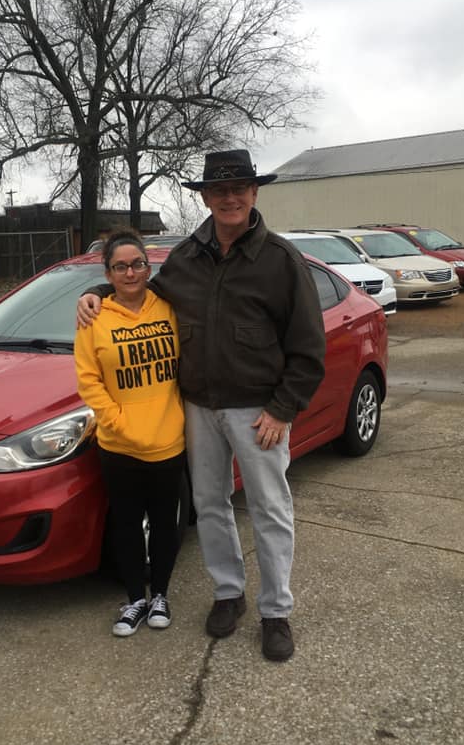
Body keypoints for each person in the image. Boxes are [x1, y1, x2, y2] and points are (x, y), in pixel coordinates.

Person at [77, 150, 325, 661]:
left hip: (258, 412)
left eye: (238, 189)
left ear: (254, 193)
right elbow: (140, 290)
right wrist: (98, 290)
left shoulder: (281, 260)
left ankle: (275, 611)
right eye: (218, 191)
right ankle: (228, 593)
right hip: (197, 409)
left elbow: (308, 346)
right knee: (210, 504)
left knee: (269, 509)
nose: (229, 198)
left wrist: (283, 408)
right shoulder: (186, 257)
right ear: (206, 198)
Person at [74, 229, 186, 637]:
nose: (130, 273)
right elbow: (88, 380)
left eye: (137, 264)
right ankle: (135, 598)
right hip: (119, 444)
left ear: (148, 267)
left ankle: (161, 595)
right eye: (120, 267)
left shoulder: (169, 308)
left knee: (165, 524)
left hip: (167, 440)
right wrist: (116, 421)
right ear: (108, 273)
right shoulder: (93, 317)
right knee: (126, 524)